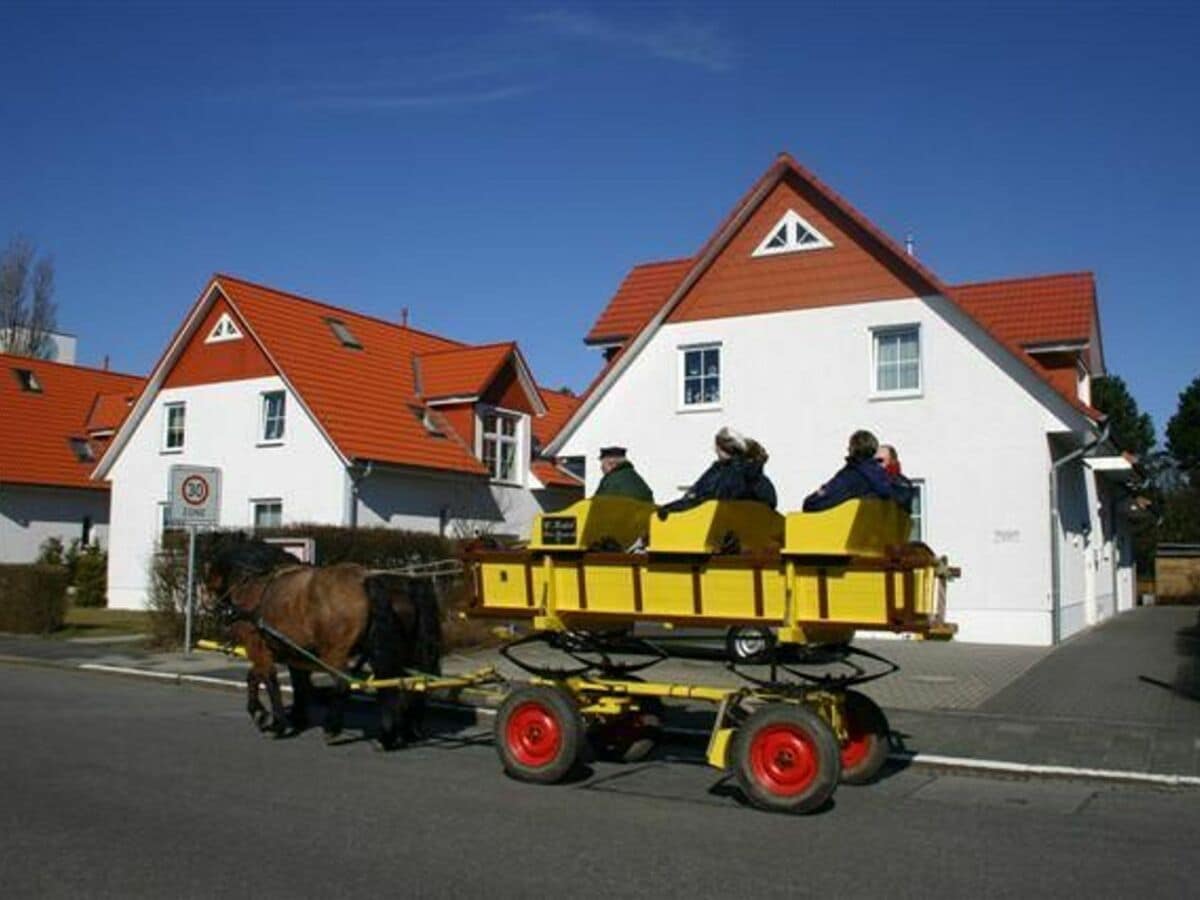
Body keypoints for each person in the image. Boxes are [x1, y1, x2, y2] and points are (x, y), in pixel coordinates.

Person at [657, 427, 777, 518]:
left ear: (721, 450)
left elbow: (700, 501)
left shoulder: (721, 474)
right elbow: (770, 504)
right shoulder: (759, 478)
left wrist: (668, 509)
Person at [802, 429, 892, 512]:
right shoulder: (884, 478)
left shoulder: (852, 476)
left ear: (852, 449)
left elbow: (813, 503)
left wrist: (812, 499)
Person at [876, 443, 915, 513]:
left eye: (880, 460)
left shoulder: (902, 483)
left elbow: (901, 500)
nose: (877, 464)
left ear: (892, 461)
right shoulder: (873, 480)